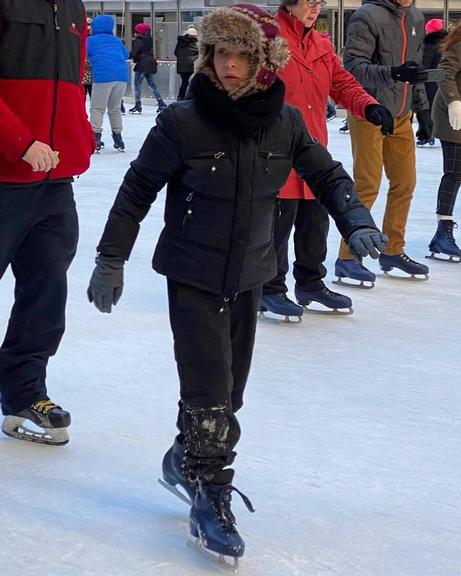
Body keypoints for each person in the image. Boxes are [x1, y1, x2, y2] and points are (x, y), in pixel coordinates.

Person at [87, 4, 386, 563]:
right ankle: (209, 491)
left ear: (263, 63)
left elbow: (324, 173)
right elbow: (136, 190)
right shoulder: (183, 122)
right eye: (221, 54)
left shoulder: (287, 122)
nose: (228, 67)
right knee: (209, 393)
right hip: (193, 274)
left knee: (231, 394)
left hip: (251, 272)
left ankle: (185, 457)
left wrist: (355, 217)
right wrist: (111, 258)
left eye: (241, 56)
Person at [260, 0, 393, 317]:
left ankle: (311, 284)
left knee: (314, 224)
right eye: (309, 2)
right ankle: (269, 288)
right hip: (274, 149)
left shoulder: (320, 43)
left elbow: (342, 82)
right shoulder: (268, 38)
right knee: (276, 227)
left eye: (320, 2)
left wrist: (368, 106)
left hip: (314, 150)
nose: (315, 8)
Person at [0, 0, 94, 445]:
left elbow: (71, 84)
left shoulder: (73, 8)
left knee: (47, 289)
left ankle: (23, 392)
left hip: (55, 178)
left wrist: (77, 140)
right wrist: (19, 141)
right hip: (5, 171)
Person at [336, 0, 432, 285]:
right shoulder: (367, 16)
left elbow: (414, 72)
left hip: (402, 115)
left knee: (406, 183)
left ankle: (393, 249)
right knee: (367, 184)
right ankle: (347, 257)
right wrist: (392, 72)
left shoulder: (415, 17)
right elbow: (353, 66)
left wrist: (423, 111)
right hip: (369, 112)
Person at [428, 21, 461, 261]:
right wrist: (453, 102)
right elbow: (444, 72)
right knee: (455, 172)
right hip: (453, 116)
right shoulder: (459, 43)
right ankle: (443, 231)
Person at [88, 14, 129, 152]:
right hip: (122, 76)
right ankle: (118, 138)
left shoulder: (91, 40)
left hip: (103, 76)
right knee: (115, 108)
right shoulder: (116, 40)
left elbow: (81, 53)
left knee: (97, 108)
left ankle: (96, 138)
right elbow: (126, 55)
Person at [417, 18, 448, 147]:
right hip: (445, 81)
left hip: (430, 82)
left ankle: (427, 134)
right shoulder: (448, 43)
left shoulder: (430, 44)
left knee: (426, 108)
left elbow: (425, 64)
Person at [129, 23, 167, 115]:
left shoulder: (138, 41)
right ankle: (161, 102)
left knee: (137, 84)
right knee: (152, 84)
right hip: (151, 63)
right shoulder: (149, 40)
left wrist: (127, 55)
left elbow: (134, 52)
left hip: (142, 64)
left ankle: (138, 104)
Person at [174, 25, 199, 100]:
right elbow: (199, 53)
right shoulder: (194, 43)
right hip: (191, 66)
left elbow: (176, 53)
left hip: (181, 67)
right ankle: (190, 97)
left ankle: (180, 97)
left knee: (184, 82)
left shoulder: (180, 42)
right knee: (191, 82)